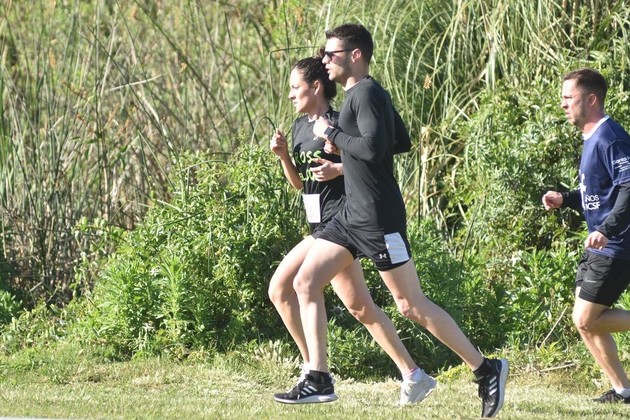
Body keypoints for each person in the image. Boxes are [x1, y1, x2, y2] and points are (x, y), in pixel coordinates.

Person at [275, 24, 508, 418]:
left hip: (378, 219)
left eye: (331, 54)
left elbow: (373, 148)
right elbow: (398, 141)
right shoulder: (364, 95)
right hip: (349, 216)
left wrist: (334, 134)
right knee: (304, 282)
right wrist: (343, 151)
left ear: (355, 56)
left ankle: (486, 370)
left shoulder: (365, 93)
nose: (324, 60)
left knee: (410, 305)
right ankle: (318, 378)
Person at [269, 54, 435, 405]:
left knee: (284, 287)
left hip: (340, 222)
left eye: (295, 87)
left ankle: (315, 373)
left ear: (316, 87)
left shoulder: (337, 121)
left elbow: (370, 160)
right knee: (361, 307)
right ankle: (412, 374)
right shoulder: (300, 127)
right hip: (320, 225)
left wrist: (338, 168)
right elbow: (299, 185)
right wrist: (284, 156)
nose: (291, 94)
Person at [542, 68, 630, 404]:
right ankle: (623, 390)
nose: (563, 104)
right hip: (600, 242)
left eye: (569, 98)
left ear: (591, 99)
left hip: (615, 244)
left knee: (585, 318)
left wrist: (607, 230)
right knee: (585, 323)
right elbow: (599, 194)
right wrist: (565, 199)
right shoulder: (591, 137)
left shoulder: (611, 138)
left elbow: (628, 188)